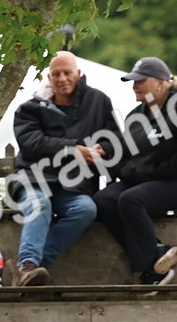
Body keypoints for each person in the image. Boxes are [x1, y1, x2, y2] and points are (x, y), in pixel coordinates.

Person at [94, 56, 177, 286]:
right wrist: (108, 152)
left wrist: (148, 173)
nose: (135, 86)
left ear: (161, 83)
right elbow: (126, 153)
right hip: (149, 181)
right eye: (133, 81)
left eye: (141, 81)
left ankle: (152, 270)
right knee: (104, 200)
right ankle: (157, 255)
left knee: (131, 199)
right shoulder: (136, 116)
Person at [7, 50, 114, 286]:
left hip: (74, 186)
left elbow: (114, 137)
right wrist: (73, 150)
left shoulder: (99, 101)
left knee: (86, 209)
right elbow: (32, 144)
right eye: (56, 74)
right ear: (49, 77)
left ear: (79, 73)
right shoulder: (29, 108)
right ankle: (28, 265)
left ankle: (28, 268)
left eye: (67, 73)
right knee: (40, 205)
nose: (62, 78)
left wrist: (103, 148)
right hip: (33, 181)